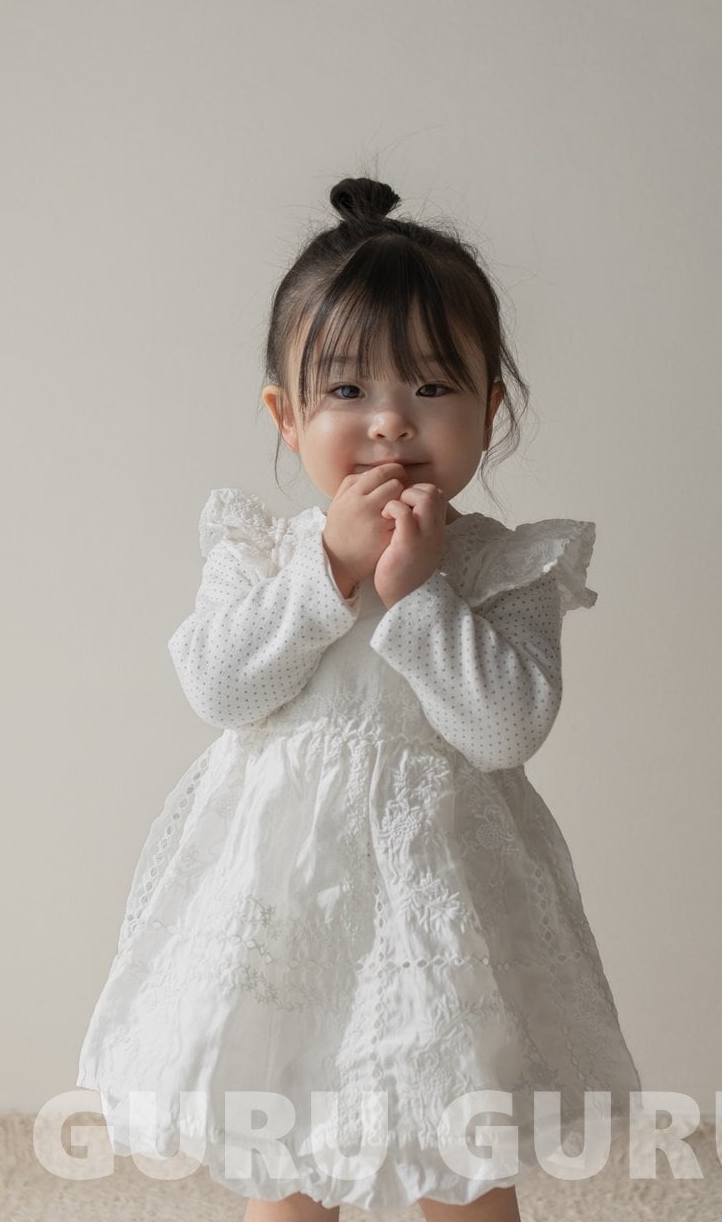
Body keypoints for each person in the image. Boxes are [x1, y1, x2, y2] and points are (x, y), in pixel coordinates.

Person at [76, 176, 642, 1221]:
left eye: (431, 385)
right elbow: (220, 685)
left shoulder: (502, 568)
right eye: (344, 390)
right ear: (287, 418)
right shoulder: (260, 551)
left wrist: (419, 594)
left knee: (459, 1146)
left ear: (489, 410)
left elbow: (507, 725)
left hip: (444, 904)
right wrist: (325, 574)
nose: (389, 422)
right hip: (287, 903)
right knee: (286, 1146)